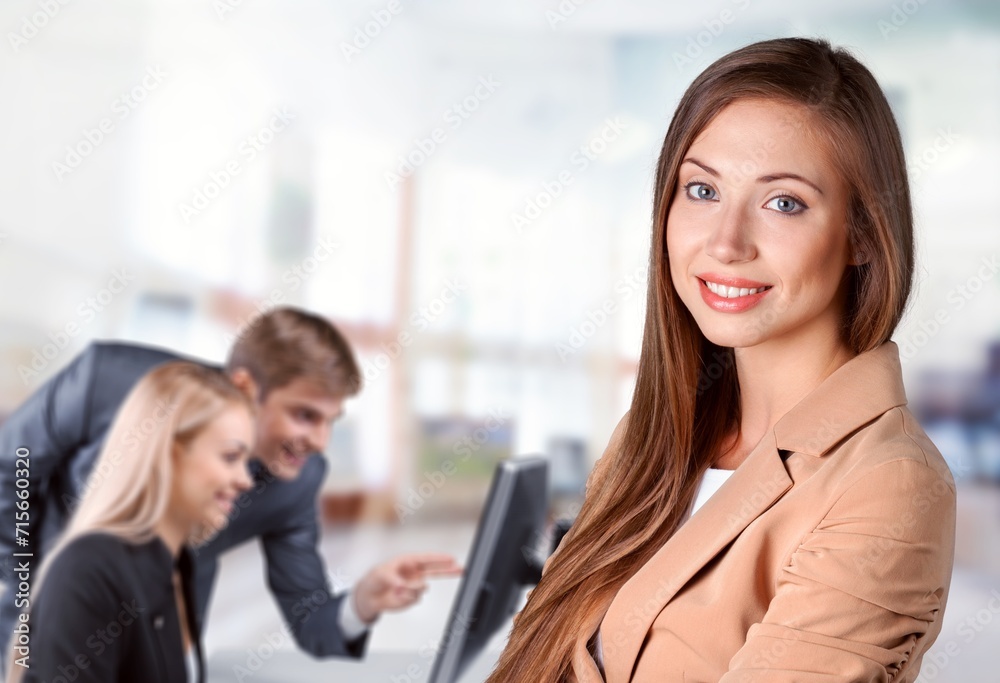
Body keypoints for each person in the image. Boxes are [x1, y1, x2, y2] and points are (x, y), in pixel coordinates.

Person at [487, 37, 957, 682]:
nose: (726, 243)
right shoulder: (652, 437)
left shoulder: (887, 483)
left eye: (783, 202)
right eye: (702, 190)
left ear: (863, 235)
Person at [0, 307, 460, 673]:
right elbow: (12, 466)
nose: (321, 442)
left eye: (330, 421)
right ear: (244, 387)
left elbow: (310, 615)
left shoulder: (297, 479)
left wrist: (363, 602)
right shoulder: (108, 380)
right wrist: (25, 586)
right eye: (304, 415)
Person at [9, 362, 255, 682]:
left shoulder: (177, 566)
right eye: (231, 457)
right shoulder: (89, 570)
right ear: (168, 454)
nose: (246, 480)